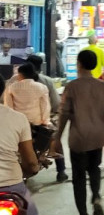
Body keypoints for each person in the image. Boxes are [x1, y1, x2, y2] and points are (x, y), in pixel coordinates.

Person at [0, 76, 61, 215]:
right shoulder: (17, 119)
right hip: (12, 188)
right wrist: (33, 168)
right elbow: (31, 163)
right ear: (3, 91)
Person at [53, 49, 104, 215]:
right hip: (97, 136)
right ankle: (96, 196)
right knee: (94, 169)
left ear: (79, 64)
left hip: (79, 138)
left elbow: (64, 113)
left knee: (79, 178)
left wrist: (57, 137)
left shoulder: (72, 86)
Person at [25, 54, 66, 182]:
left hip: (24, 120)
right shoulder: (46, 81)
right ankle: (61, 171)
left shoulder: (17, 80)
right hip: (43, 120)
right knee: (55, 139)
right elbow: (56, 103)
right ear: (40, 67)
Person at [4, 62, 49, 126]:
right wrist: (45, 120)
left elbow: (8, 106)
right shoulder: (42, 87)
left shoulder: (11, 87)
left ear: (20, 74)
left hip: (18, 121)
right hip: (36, 121)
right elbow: (45, 106)